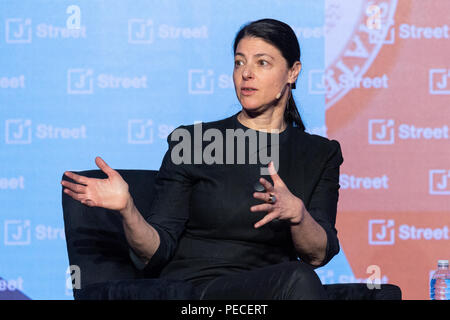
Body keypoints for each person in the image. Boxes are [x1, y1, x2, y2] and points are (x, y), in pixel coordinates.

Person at [61, 18, 343, 300]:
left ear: (292, 72)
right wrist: (128, 209)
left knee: (381, 293)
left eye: (262, 63)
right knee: (299, 279)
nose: (246, 73)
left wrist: (298, 215)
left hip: (276, 288)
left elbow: (318, 255)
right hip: (200, 288)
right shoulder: (194, 142)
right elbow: (155, 251)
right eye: (239, 62)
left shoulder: (320, 154)